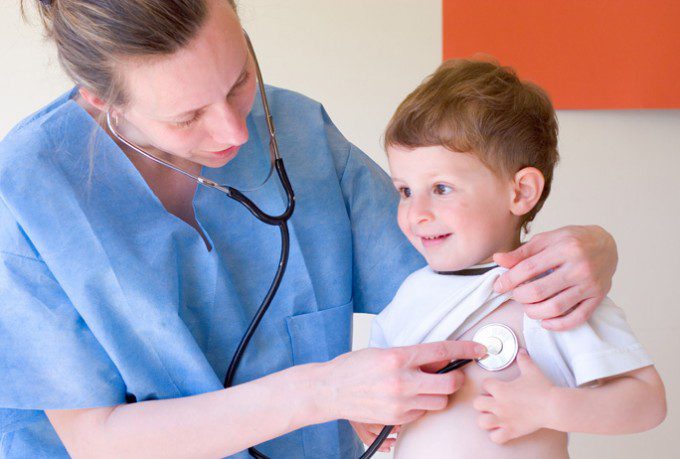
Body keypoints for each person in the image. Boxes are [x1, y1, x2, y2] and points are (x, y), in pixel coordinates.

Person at [0, 1, 619, 458]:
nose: (234, 133)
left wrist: (591, 248)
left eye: (241, 77)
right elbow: (95, 437)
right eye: (188, 116)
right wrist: (322, 392)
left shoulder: (298, 132)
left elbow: (461, 270)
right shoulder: (30, 192)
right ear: (99, 103)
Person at [352, 59, 666, 457]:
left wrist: (549, 407)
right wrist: (367, 413)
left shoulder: (552, 293)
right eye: (405, 190)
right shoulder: (409, 296)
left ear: (520, 193)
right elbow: (374, 383)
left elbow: (648, 402)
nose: (417, 213)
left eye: (442, 188)